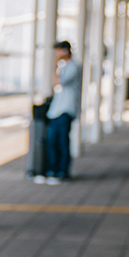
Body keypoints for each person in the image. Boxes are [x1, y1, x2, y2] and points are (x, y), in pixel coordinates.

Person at [39, 40, 80, 183]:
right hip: (57, 110)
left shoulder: (73, 67)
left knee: (61, 141)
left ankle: (62, 171)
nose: (56, 54)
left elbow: (58, 82)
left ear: (65, 51)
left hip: (66, 110)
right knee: (52, 141)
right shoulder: (65, 67)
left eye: (58, 50)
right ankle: (54, 170)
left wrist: (55, 65)